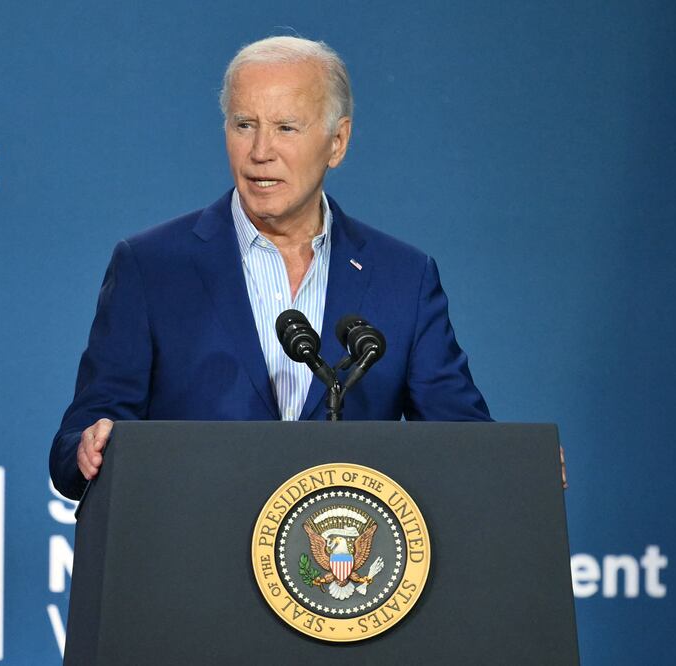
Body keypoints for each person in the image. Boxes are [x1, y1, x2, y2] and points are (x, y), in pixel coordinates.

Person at [49, 36, 490, 500]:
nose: (261, 151)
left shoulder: (404, 278)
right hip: (192, 556)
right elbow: (78, 440)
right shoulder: (152, 267)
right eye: (244, 124)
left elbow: (464, 439)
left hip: (340, 565)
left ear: (337, 142)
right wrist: (87, 448)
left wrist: (521, 468)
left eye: (286, 127)